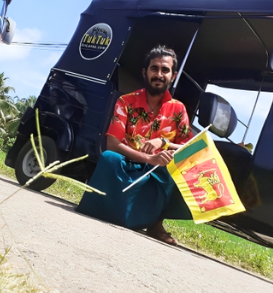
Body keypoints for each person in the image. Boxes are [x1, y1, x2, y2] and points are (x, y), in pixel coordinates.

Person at [77, 45, 192, 245]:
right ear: (145, 72)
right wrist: (148, 158)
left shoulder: (179, 109)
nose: (159, 74)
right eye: (154, 68)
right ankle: (105, 208)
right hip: (128, 164)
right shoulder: (126, 102)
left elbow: (188, 147)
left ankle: (156, 223)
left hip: (159, 170)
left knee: (185, 168)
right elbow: (112, 144)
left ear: (173, 76)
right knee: (108, 158)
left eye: (165, 70)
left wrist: (163, 142)